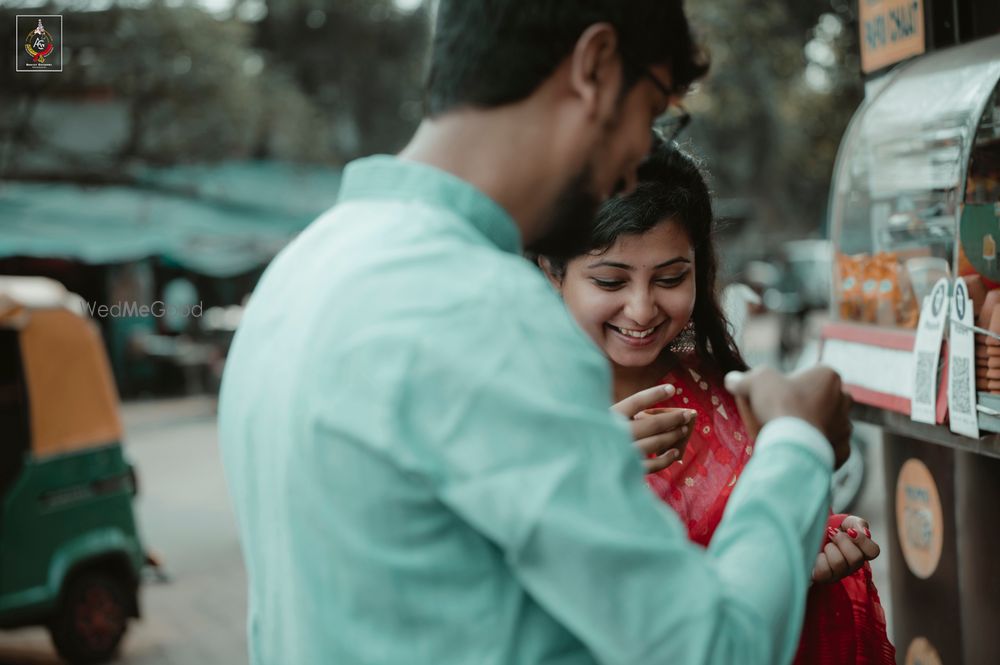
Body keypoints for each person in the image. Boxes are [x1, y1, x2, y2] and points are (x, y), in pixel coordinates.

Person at [219, 2, 853, 663]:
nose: (639, 160)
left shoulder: (300, 273)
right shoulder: (488, 310)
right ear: (595, 66)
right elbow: (713, 650)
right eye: (652, 111)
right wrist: (796, 446)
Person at [539, 140, 895, 664]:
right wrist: (577, 474)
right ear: (553, 271)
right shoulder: (524, 413)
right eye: (610, 280)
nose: (641, 309)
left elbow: (753, 547)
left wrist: (806, 553)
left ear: (699, 269)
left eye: (670, 278)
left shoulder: (722, 386)